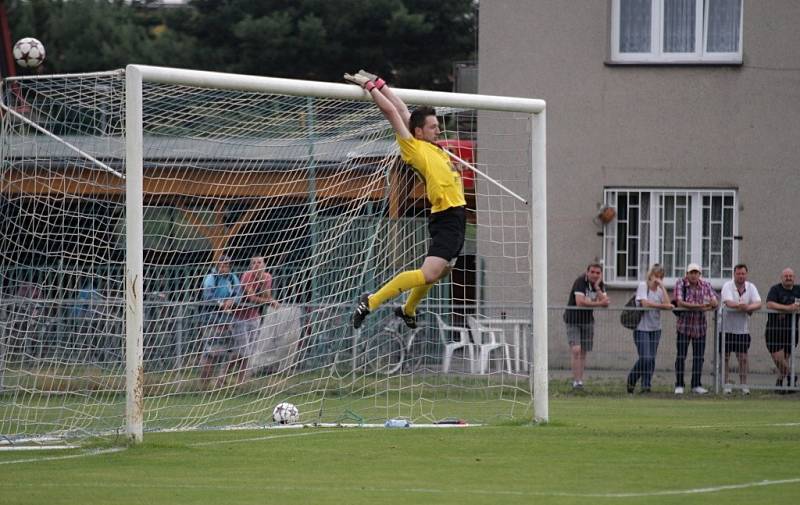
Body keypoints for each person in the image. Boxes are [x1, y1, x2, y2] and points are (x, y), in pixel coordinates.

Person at [344, 70, 466, 330]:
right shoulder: (413, 146)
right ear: (419, 131)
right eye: (433, 127)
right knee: (430, 273)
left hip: (456, 216)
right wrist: (369, 87)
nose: (438, 130)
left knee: (441, 270)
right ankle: (372, 301)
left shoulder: (435, 147)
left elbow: (399, 105)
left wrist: (381, 83)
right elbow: (391, 112)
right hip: (447, 216)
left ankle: (407, 309)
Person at [673, 263, 718, 395]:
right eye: (691, 273)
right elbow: (680, 302)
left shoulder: (706, 285)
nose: (693, 275)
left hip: (700, 327)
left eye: (696, 273)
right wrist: (702, 307)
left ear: (700, 274)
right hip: (684, 327)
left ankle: (696, 384)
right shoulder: (680, 283)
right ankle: (679, 384)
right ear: (687, 274)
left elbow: (715, 301)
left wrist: (711, 303)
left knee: (699, 357)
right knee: (681, 356)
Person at [563, 262, 610, 390]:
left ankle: (580, 381)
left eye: (598, 273)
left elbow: (606, 303)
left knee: (583, 352)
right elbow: (580, 302)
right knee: (576, 350)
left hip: (587, 320)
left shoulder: (599, 284)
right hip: (573, 319)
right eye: (592, 272)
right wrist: (599, 303)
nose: (595, 275)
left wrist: (597, 287)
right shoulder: (580, 282)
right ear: (587, 272)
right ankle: (575, 381)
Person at [626, 264, 672, 394]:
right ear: (650, 275)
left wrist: (663, 287)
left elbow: (668, 304)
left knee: (651, 359)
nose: (658, 279)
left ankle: (646, 386)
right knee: (645, 357)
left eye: (661, 277)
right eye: (656, 276)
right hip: (641, 328)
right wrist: (661, 306)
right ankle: (631, 379)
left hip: (655, 329)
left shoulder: (660, 290)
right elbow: (644, 304)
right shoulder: (643, 286)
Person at [234, 256, 279, 384]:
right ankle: (225, 374)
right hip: (240, 316)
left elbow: (267, 295)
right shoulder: (247, 276)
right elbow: (252, 298)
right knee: (244, 351)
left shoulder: (267, 277)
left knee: (250, 351)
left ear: (264, 265)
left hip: (254, 316)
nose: (256, 265)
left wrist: (262, 281)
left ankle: (241, 380)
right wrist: (270, 302)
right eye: (253, 263)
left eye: (259, 263)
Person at [198, 254, 241, 388]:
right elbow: (207, 295)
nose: (225, 267)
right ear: (218, 265)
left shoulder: (233, 278)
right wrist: (221, 303)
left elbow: (239, 294)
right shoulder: (211, 278)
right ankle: (204, 383)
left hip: (228, 320)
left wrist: (232, 301)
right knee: (211, 353)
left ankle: (221, 381)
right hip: (212, 320)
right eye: (222, 265)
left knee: (230, 352)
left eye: (227, 265)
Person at [719, 264, 761, 395]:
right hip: (726, 328)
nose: (741, 276)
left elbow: (758, 303)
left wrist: (747, 308)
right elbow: (728, 302)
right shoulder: (727, 285)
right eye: (738, 273)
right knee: (725, 357)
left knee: (743, 358)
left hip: (742, 329)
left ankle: (743, 384)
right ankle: (726, 384)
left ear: (746, 274)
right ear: (734, 274)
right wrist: (740, 305)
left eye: (743, 273)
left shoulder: (751, 287)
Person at [764, 268, 800, 393]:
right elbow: (769, 304)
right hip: (775, 330)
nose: (788, 278)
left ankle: (780, 384)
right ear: (781, 277)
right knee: (778, 358)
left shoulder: (798, 290)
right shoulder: (775, 289)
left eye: (790, 276)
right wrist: (788, 308)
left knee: (784, 359)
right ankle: (792, 376)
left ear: (794, 277)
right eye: (786, 276)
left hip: (792, 331)